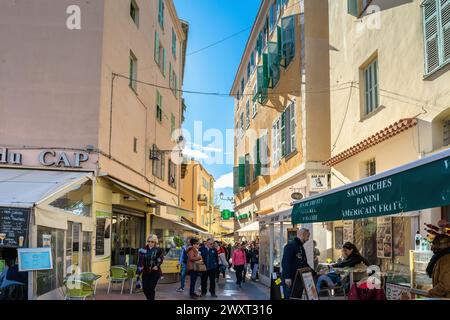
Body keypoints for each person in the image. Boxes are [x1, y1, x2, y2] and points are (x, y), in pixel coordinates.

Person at [281, 228, 316, 299]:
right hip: (290, 279)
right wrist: (287, 277)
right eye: (307, 236)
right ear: (302, 235)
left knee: (296, 298)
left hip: (297, 279)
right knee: (289, 297)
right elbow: (285, 262)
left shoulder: (301, 247)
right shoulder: (291, 246)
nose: (308, 239)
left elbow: (304, 263)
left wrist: (314, 273)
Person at [137, 235, 164, 300]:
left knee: (151, 288)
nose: (150, 243)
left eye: (152, 242)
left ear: (155, 242)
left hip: (154, 272)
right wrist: (138, 271)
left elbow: (160, 259)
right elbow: (140, 261)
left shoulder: (158, 250)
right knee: (145, 289)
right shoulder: (143, 250)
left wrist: (157, 265)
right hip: (145, 271)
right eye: (149, 241)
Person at [427, 234, 450, 298]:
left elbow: (445, 284)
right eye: (433, 243)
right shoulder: (439, 257)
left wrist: (431, 293)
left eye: (437, 244)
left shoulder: (447, 259)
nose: (432, 248)